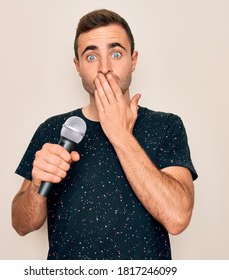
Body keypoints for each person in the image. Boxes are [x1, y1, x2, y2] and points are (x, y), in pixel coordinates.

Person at [12, 9, 198, 260]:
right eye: (91, 57)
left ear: (133, 60)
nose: (104, 68)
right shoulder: (53, 129)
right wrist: (36, 186)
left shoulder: (166, 126)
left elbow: (177, 218)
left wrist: (120, 135)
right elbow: (22, 224)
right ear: (77, 67)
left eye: (116, 53)